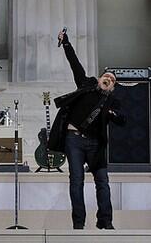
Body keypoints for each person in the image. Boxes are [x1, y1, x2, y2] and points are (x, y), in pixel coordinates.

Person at [48, 29, 126, 230]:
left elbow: (123, 121)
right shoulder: (87, 84)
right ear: (99, 78)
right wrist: (65, 43)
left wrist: (111, 113)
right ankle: (78, 224)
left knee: (102, 182)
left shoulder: (112, 101)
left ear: (113, 87)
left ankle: (106, 222)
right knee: (76, 181)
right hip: (74, 139)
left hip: (96, 144)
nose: (107, 79)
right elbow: (75, 64)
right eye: (105, 76)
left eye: (111, 80)